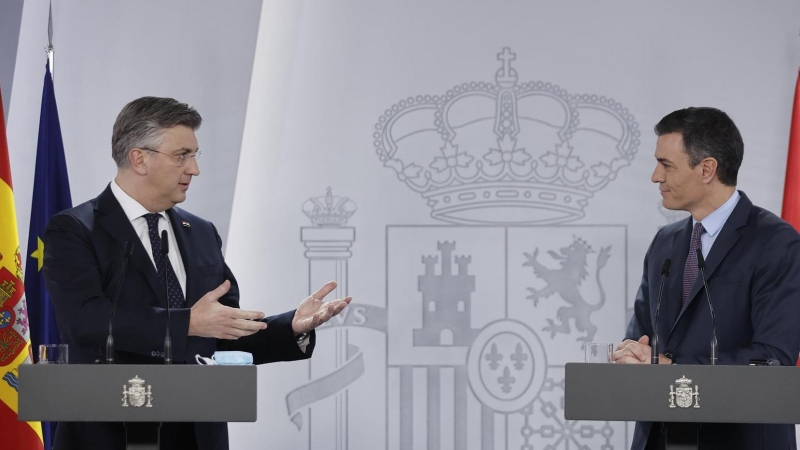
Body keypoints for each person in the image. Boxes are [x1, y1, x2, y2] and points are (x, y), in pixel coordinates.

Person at [42, 96, 351, 450]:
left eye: (194, 155)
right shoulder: (76, 230)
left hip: (199, 436)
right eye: (181, 155)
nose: (194, 169)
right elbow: (86, 321)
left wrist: (291, 326)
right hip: (112, 435)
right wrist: (188, 321)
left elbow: (219, 334)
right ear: (139, 158)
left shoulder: (201, 232)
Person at [613, 107, 800, 450]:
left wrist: (675, 367)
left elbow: (773, 360)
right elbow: (643, 338)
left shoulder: (777, 243)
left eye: (666, 164)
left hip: (739, 440)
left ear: (707, 169)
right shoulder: (664, 242)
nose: (656, 176)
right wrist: (634, 355)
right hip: (661, 438)